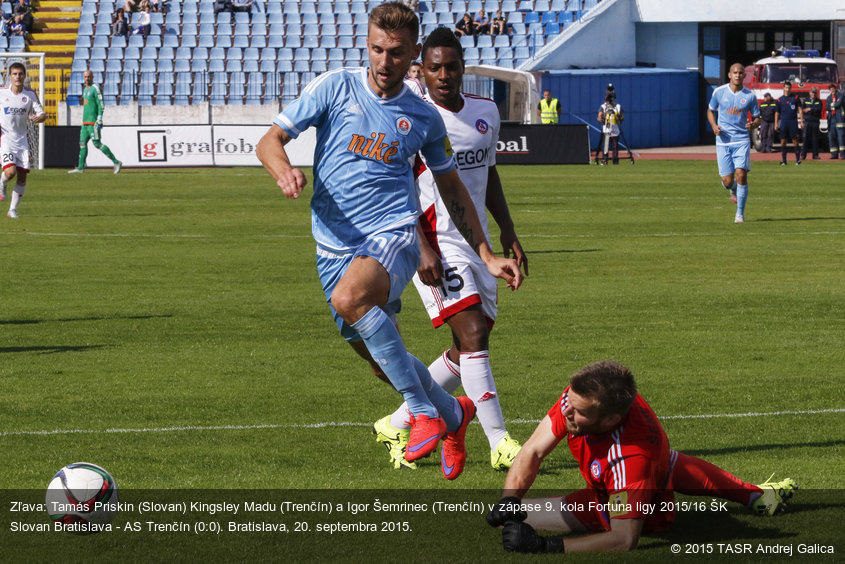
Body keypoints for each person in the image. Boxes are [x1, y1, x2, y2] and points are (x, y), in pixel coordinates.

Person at [256, 2, 524, 480]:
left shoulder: (423, 117)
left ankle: (423, 412)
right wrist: (284, 170)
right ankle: (453, 413)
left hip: (394, 235)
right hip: (332, 246)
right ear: (368, 45)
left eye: (396, 53)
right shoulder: (335, 87)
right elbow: (269, 141)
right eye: (377, 50)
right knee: (385, 362)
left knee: (349, 298)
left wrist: (487, 252)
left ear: (413, 54)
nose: (384, 62)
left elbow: (452, 187)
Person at [374, 26, 527, 473]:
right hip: (436, 243)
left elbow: (489, 175)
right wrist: (422, 247)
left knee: (467, 350)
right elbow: (399, 186)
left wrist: (508, 232)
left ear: (464, 69)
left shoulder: (486, 112)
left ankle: (399, 420)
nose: (444, 74)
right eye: (434, 67)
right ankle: (500, 443)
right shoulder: (414, 118)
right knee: (474, 335)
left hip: (479, 246)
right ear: (422, 69)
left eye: (452, 67)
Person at [485, 360, 798, 554]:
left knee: (514, 523)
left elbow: (624, 539)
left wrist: (547, 547)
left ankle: (752, 496)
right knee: (668, 463)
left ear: (609, 420)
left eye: (578, 411)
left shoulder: (627, 459)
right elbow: (533, 450)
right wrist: (508, 500)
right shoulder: (583, 399)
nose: (565, 411)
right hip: (651, 468)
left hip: (632, 506)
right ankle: (756, 496)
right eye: (569, 401)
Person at [706, 63, 760, 224]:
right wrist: (714, 126)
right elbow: (710, 110)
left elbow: (757, 117)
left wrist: (754, 124)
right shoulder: (719, 92)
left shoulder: (749, 96)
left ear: (744, 76)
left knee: (741, 175)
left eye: (740, 73)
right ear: (729, 75)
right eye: (735, 72)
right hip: (723, 142)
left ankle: (740, 214)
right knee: (727, 181)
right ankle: (733, 189)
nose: (737, 75)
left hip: (742, 140)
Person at [0, 62, 46, 218]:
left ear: (24, 76)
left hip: (22, 141)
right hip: (6, 139)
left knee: (22, 177)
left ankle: (12, 210)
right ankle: (2, 183)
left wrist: (37, 118)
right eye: (14, 74)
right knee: (10, 172)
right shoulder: (2, 93)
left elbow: (43, 115)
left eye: (20, 74)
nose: (17, 77)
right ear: (9, 77)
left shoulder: (30, 95)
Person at [68, 70, 122, 175]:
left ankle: (116, 162)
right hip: (85, 123)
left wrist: (100, 118)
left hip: (93, 123)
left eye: (89, 77)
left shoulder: (95, 88)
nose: (87, 78)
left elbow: (100, 104)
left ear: (92, 77)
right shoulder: (85, 90)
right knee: (82, 144)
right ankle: (80, 168)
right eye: (85, 77)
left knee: (97, 144)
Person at [774, 81, 803, 166]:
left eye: (789, 87)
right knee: (783, 141)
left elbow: (800, 109)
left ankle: (797, 160)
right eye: (786, 87)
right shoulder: (780, 99)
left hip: (793, 122)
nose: (787, 89)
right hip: (784, 122)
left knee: (795, 141)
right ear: (783, 88)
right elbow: (777, 113)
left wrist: (802, 121)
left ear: (791, 88)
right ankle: (784, 161)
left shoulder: (795, 98)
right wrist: (776, 124)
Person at [597, 92, 622, 165]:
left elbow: (622, 117)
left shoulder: (618, 106)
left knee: (615, 146)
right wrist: (603, 118)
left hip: (615, 129)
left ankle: (615, 161)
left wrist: (617, 117)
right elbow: (599, 117)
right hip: (606, 129)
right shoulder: (603, 106)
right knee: (605, 146)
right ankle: (604, 160)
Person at [801, 87, 822, 160]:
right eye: (812, 92)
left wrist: (810, 109)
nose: (813, 94)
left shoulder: (819, 101)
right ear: (809, 93)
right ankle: (803, 155)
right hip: (807, 121)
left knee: (815, 139)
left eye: (815, 92)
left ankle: (815, 155)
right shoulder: (805, 100)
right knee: (805, 139)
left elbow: (818, 109)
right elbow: (803, 110)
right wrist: (802, 121)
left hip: (815, 122)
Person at [826, 82, 845, 160]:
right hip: (831, 119)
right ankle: (834, 154)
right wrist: (833, 105)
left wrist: (832, 105)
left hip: (839, 118)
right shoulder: (829, 97)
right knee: (831, 137)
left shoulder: (841, 95)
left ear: (836, 88)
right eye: (831, 89)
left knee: (841, 137)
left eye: (833, 88)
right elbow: (827, 107)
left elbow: (838, 104)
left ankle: (843, 155)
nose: (832, 90)